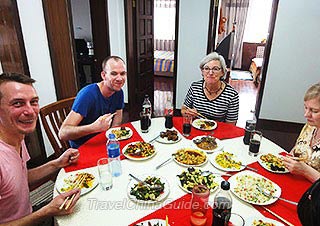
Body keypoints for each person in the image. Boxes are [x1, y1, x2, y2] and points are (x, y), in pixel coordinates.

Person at [0, 72, 80, 225]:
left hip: (28, 214)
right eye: (18, 103)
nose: (30, 111)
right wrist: (47, 211)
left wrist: (56, 163)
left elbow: (18, 178)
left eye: (34, 102)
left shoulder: (16, 135)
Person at [59, 56, 127, 148]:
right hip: (83, 147)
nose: (119, 79)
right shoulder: (88, 94)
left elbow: (117, 122)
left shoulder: (118, 92)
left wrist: (111, 139)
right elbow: (63, 133)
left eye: (122, 74)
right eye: (114, 74)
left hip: (104, 141)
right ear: (103, 75)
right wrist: (94, 128)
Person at [181, 52, 239, 125]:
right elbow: (183, 109)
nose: (210, 73)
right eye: (206, 68)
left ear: (222, 72)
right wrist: (187, 113)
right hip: (197, 128)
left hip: (219, 132)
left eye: (215, 69)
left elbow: (231, 124)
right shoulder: (195, 87)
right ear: (202, 72)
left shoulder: (232, 95)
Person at [283, 83, 320, 182]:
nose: (306, 114)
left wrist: (306, 171)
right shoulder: (310, 127)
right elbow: (296, 150)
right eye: (306, 107)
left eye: (314, 111)